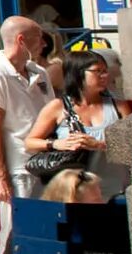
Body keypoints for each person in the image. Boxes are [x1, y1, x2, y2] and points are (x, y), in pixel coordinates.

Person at [0, 16, 58, 207]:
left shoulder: (40, 72)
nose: (44, 43)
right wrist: (1, 175)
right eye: (39, 37)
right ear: (21, 40)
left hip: (48, 162)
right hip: (19, 169)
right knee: (18, 230)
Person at [23, 49, 123, 190]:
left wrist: (99, 145)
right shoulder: (57, 107)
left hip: (114, 183)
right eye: (98, 71)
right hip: (74, 187)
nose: (105, 75)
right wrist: (57, 144)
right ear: (78, 73)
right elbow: (29, 143)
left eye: (105, 71)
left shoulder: (119, 106)